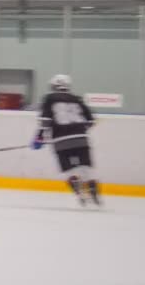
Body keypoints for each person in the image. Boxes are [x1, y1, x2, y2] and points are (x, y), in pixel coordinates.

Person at [31, 74, 100, 206]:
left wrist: (40, 137)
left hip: (61, 141)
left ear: (53, 86)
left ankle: (79, 189)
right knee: (85, 166)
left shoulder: (49, 99)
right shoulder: (77, 99)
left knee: (68, 168)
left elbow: (45, 120)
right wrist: (79, 130)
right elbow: (91, 120)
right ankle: (92, 188)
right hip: (81, 139)